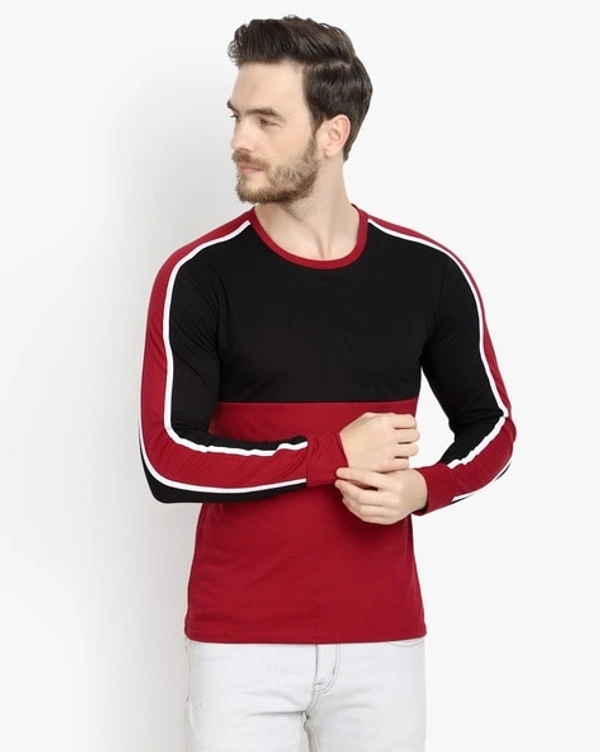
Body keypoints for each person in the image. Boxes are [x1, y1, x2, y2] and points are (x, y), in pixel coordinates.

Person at [138, 14, 516, 752]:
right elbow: (167, 459)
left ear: (333, 133)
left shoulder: (427, 274)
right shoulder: (199, 276)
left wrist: (424, 489)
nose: (239, 140)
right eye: (236, 116)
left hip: (384, 643)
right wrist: (330, 454)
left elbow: (494, 426)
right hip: (240, 648)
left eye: (266, 120)